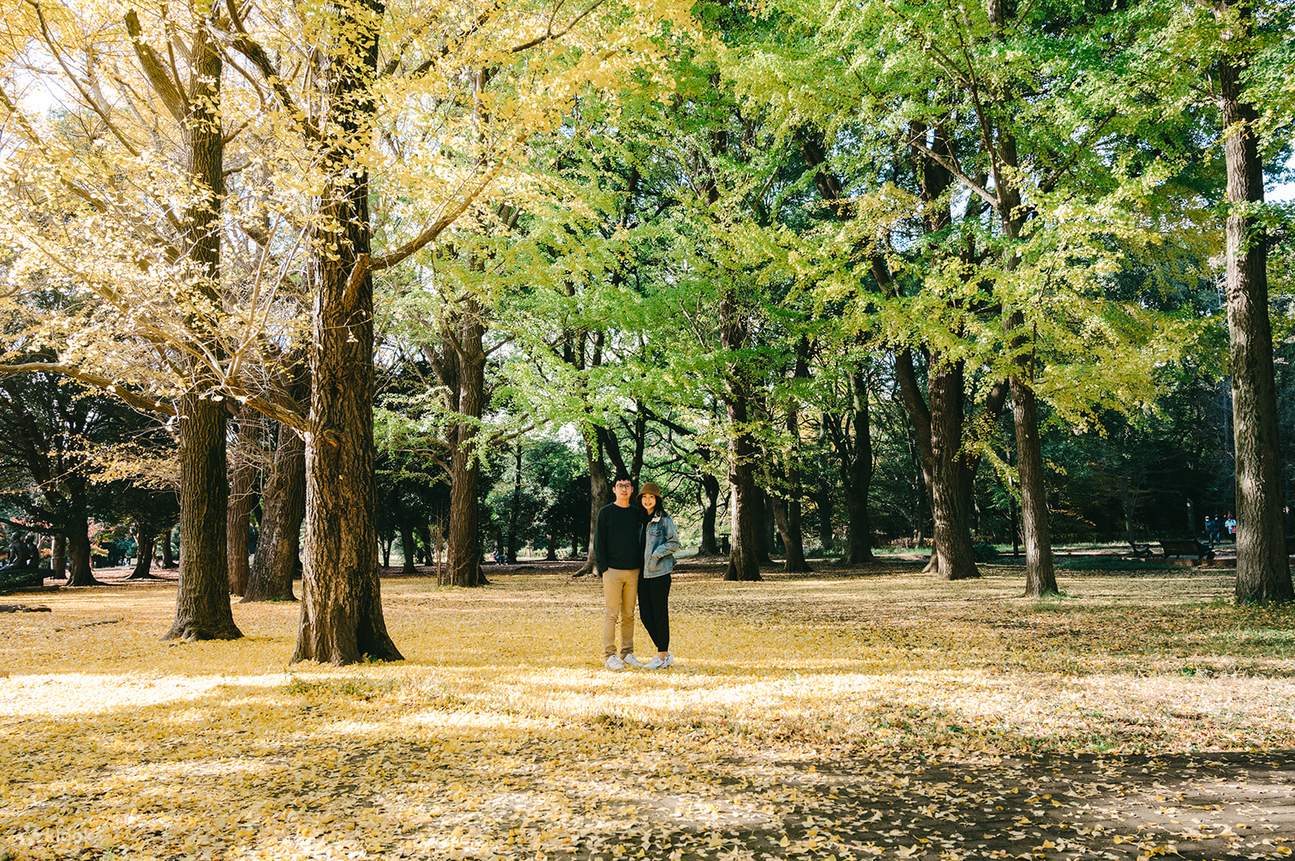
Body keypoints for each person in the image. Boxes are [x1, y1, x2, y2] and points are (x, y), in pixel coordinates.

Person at [595, 474, 647, 670]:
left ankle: (627, 653)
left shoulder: (637, 513)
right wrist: (604, 569)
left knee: (629, 614)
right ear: (614, 489)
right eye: (620, 485)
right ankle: (610, 655)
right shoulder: (606, 513)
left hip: (633, 571)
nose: (624, 489)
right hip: (612, 571)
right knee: (611, 614)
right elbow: (599, 542)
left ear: (632, 490)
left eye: (627, 485)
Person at [638, 482, 680, 669]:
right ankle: (665, 653)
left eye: (651, 497)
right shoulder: (638, 518)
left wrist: (656, 554)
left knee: (659, 614)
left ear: (657, 499)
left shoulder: (664, 519)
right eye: (644, 497)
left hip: (659, 572)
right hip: (642, 574)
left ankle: (662, 655)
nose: (648, 500)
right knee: (645, 615)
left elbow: (674, 543)